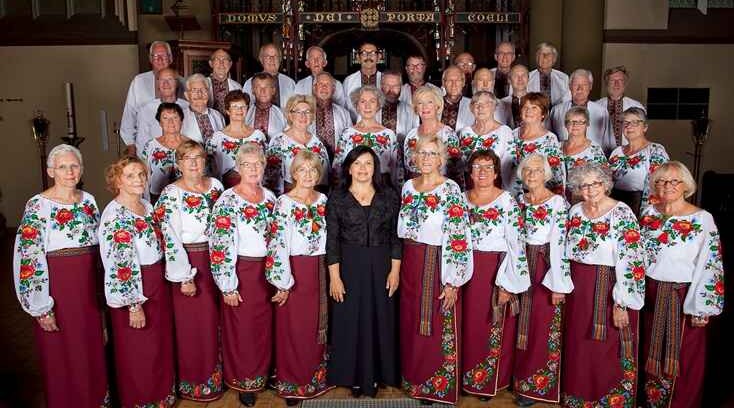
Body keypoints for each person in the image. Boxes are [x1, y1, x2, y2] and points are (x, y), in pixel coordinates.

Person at [13, 144, 109, 408]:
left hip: (88, 289)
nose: (70, 172)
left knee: (90, 350)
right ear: (51, 171)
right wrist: (41, 307)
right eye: (63, 167)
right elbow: (28, 259)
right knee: (62, 353)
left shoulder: (88, 200)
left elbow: (102, 246)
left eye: (74, 165)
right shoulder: (37, 206)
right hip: (58, 290)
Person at [639, 161, 724, 408]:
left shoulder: (702, 219)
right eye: (662, 181)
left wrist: (702, 307)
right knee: (651, 350)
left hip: (684, 296)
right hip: (652, 294)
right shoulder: (649, 214)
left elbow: (711, 264)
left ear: (686, 185)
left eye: (674, 181)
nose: (667, 186)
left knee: (683, 357)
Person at [562, 163, 645, 407]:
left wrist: (622, 302)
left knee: (607, 342)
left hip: (608, 285)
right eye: (584, 185)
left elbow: (632, 259)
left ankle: (611, 399)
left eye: (595, 183)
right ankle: (579, 397)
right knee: (579, 343)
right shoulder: (575, 211)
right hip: (579, 287)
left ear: (605, 185)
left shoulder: (621, 213)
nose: (590, 189)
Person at [398, 136, 473, 405]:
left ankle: (435, 384)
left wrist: (452, 282)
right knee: (411, 320)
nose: (427, 158)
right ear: (415, 158)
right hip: (410, 261)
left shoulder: (450, 189)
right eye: (422, 153)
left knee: (434, 320)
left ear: (441, 159)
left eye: (432, 153)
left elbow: (458, 236)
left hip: (436, 261)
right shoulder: (408, 187)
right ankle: (413, 378)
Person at [99, 156, 176, 407]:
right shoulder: (115, 215)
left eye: (141, 174)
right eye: (130, 175)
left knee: (158, 343)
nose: (139, 180)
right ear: (117, 180)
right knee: (137, 348)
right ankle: (140, 399)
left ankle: (160, 396)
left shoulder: (146, 206)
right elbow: (120, 263)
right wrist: (133, 304)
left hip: (155, 282)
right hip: (134, 287)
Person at [326, 145, 401, 398]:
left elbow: (395, 237)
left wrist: (395, 271)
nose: (362, 169)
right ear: (349, 167)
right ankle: (351, 375)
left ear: (375, 168)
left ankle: (379, 374)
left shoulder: (389, 195)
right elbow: (332, 240)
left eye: (368, 163)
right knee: (350, 318)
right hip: (348, 264)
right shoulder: (337, 197)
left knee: (380, 316)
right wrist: (334, 277)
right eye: (357, 163)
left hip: (382, 264)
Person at [154, 141, 224, 402]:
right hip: (190, 262)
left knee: (217, 320)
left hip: (216, 257)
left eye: (198, 157)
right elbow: (169, 237)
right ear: (178, 164)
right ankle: (195, 382)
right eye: (187, 158)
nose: (194, 163)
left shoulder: (216, 187)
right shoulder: (171, 193)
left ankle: (216, 377)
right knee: (194, 324)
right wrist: (184, 276)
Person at [209, 144, 277, 407]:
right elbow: (220, 245)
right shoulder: (228, 200)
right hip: (243, 271)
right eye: (247, 164)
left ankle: (264, 373)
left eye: (257, 164)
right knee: (243, 328)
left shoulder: (270, 197)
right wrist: (228, 285)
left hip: (268, 270)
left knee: (266, 327)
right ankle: (244, 380)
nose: (253, 169)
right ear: (238, 168)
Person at [265, 151, 334, 406]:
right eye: (302, 170)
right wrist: (282, 281)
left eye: (313, 170)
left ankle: (316, 377)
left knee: (318, 325)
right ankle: (292, 381)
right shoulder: (284, 202)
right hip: (295, 269)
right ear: (293, 174)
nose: (308, 175)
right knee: (293, 327)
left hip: (320, 267)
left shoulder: (323, 200)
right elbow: (278, 243)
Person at [462, 150, 529, 399]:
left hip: (493, 269)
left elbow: (516, 244)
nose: (482, 172)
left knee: (490, 324)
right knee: (466, 326)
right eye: (477, 167)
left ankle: (487, 382)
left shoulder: (507, 201)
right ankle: (465, 378)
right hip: (465, 268)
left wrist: (508, 284)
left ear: (496, 172)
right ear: (470, 172)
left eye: (488, 167)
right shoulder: (460, 198)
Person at [512, 153, 571, 407]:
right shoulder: (518, 200)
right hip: (520, 264)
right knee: (518, 323)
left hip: (545, 267)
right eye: (527, 170)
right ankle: (518, 380)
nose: (532, 174)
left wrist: (558, 283)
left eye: (537, 170)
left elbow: (560, 244)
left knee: (542, 325)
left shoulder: (558, 203)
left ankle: (540, 384)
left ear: (545, 174)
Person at [608, 107, 669, 215]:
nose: (629, 126)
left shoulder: (656, 150)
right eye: (625, 122)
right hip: (614, 207)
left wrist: (646, 215)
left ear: (645, 127)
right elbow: (606, 181)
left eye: (635, 122)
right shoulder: (617, 151)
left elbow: (659, 185)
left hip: (640, 207)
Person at [265, 94, 330, 195]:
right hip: (289, 199)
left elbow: (325, 178)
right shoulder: (278, 141)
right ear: (290, 115)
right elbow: (270, 180)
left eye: (307, 112)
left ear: (312, 116)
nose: (303, 116)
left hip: (315, 198)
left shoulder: (318, 142)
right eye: (298, 112)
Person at [335, 86, 398, 187]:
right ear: (357, 106)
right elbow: (337, 167)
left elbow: (397, 169)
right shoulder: (347, 134)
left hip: (382, 188)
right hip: (352, 188)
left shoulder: (389, 135)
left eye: (372, 101)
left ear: (378, 105)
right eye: (363, 101)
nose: (367, 106)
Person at [505, 93, 565, 199]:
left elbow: (557, 175)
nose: (529, 111)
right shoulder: (511, 134)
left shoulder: (550, 139)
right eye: (525, 107)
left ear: (543, 114)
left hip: (537, 197)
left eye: (534, 108)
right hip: (511, 194)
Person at [121, 40, 175, 157]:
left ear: (170, 58)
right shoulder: (139, 82)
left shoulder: (181, 81)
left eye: (164, 56)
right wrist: (131, 146)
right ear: (150, 59)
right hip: (145, 147)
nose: (160, 59)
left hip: (174, 147)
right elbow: (129, 116)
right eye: (155, 56)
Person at [403, 86, 463, 186]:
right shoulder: (411, 135)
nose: (425, 107)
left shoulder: (448, 134)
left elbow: (455, 171)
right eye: (420, 103)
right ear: (416, 108)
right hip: (415, 189)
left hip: (441, 189)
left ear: (437, 106)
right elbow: (406, 169)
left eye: (429, 102)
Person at [206, 90, 266, 188]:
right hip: (227, 188)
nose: (239, 110)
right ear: (228, 111)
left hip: (255, 186)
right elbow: (210, 171)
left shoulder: (258, 136)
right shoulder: (217, 138)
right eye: (235, 107)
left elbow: (264, 166)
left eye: (243, 107)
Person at [550, 69, 614, 154]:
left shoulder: (601, 111)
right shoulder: (556, 111)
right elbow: (551, 140)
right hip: (564, 159)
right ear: (569, 86)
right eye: (576, 84)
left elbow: (609, 143)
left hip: (594, 162)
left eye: (584, 85)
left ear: (590, 86)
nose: (580, 89)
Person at [457, 91, 512, 186]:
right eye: (476, 104)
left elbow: (509, 168)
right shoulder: (465, 132)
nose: (480, 107)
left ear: (494, 107)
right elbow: (461, 166)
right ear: (471, 108)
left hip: (496, 188)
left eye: (486, 104)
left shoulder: (504, 131)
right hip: (470, 188)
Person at [135, 68, 189, 158]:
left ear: (176, 83)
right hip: (156, 160)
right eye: (162, 80)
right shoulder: (145, 110)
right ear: (157, 85)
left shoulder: (187, 107)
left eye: (170, 79)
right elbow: (141, 144)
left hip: (185, 158)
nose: (166, 83)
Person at [141, 102, 189, 202]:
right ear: (160, 123)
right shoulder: (150, 146)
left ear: (181, 120)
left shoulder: (192, 145)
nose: (171, 122)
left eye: (175, 117)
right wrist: (146, 204)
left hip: (187, 198)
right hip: (158, 200)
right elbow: (144, 178)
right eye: (165, 118)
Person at [561, 106, 608, 204]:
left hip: (582, 200)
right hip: (557, 199)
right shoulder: (556, 146)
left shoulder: (594, 149)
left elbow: (604, 180)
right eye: (571, 121)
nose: (575, 125)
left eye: (581, 122)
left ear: (587, 124)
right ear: (566, 125)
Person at [596, 66, 645, 147]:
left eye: (620, 80)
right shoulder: (595, 106)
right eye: (612, 80)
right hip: (600, 155)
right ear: (606, 83)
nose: (616, 84)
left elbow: (641, 135)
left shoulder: (637, 107)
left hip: (628, 155)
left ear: (625, 84)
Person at [312, 71, 353, 160]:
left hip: (339, 165)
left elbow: (349, 142)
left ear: (333, 89)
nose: (324, 87)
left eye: (328, 84)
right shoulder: (306, 112)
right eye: (321, 84)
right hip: (311, 166)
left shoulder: (344, 113)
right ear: (314, 88)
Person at [243, 43, 296, 108]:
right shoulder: (250, 83)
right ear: (261, 60)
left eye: (275, 56)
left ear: (280, 60)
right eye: (267, 56)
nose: (272, 59)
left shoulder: (290, 83)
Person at [182, 73, 226, 146]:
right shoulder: (180, 117)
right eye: (194, 90)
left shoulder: (218, 116)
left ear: (208, 93)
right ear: (187, 95)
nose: (199, 94)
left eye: (203, 89)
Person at [343, 42, 383, 121]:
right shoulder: (349, 81)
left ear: (379, 57)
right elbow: (344, 109)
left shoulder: (386, 79)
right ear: (358, 57)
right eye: (364, 53)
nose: (368, 57)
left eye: (373, 53)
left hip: (381, 129)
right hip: (355, 128)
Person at [245, 72, 287, 139]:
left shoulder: (283, 114)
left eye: (266, 87)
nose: (263, 91)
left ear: (273, 90)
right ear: (253, 90)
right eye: (258, 87)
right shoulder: (244, 113)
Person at [528, 42, 570, 107]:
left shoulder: (564, 78)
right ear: (537, 57)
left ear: (554, 59)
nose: (545, 57)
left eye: (549, 54)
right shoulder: (527, 77)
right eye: (541, 54)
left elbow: (567, 102)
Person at [207, 49, 243, 115]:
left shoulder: (237, 87)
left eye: (225, 59)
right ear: (211, 63)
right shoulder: (203, 84)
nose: (221, 63)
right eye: (217, 59)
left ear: (230, 64)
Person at [441, 65, 475, 131]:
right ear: (443, 83)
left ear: (463, 82)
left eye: (458, 80)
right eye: (450, 80)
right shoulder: (434, 103)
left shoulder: (473, 105)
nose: (454, 85)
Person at [497, 64, 530, 129]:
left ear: (528, 79)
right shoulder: (500, 104)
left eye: (523, 75)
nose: (520, 79)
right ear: (509, 80)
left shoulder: (539, 103)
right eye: (516, 76)